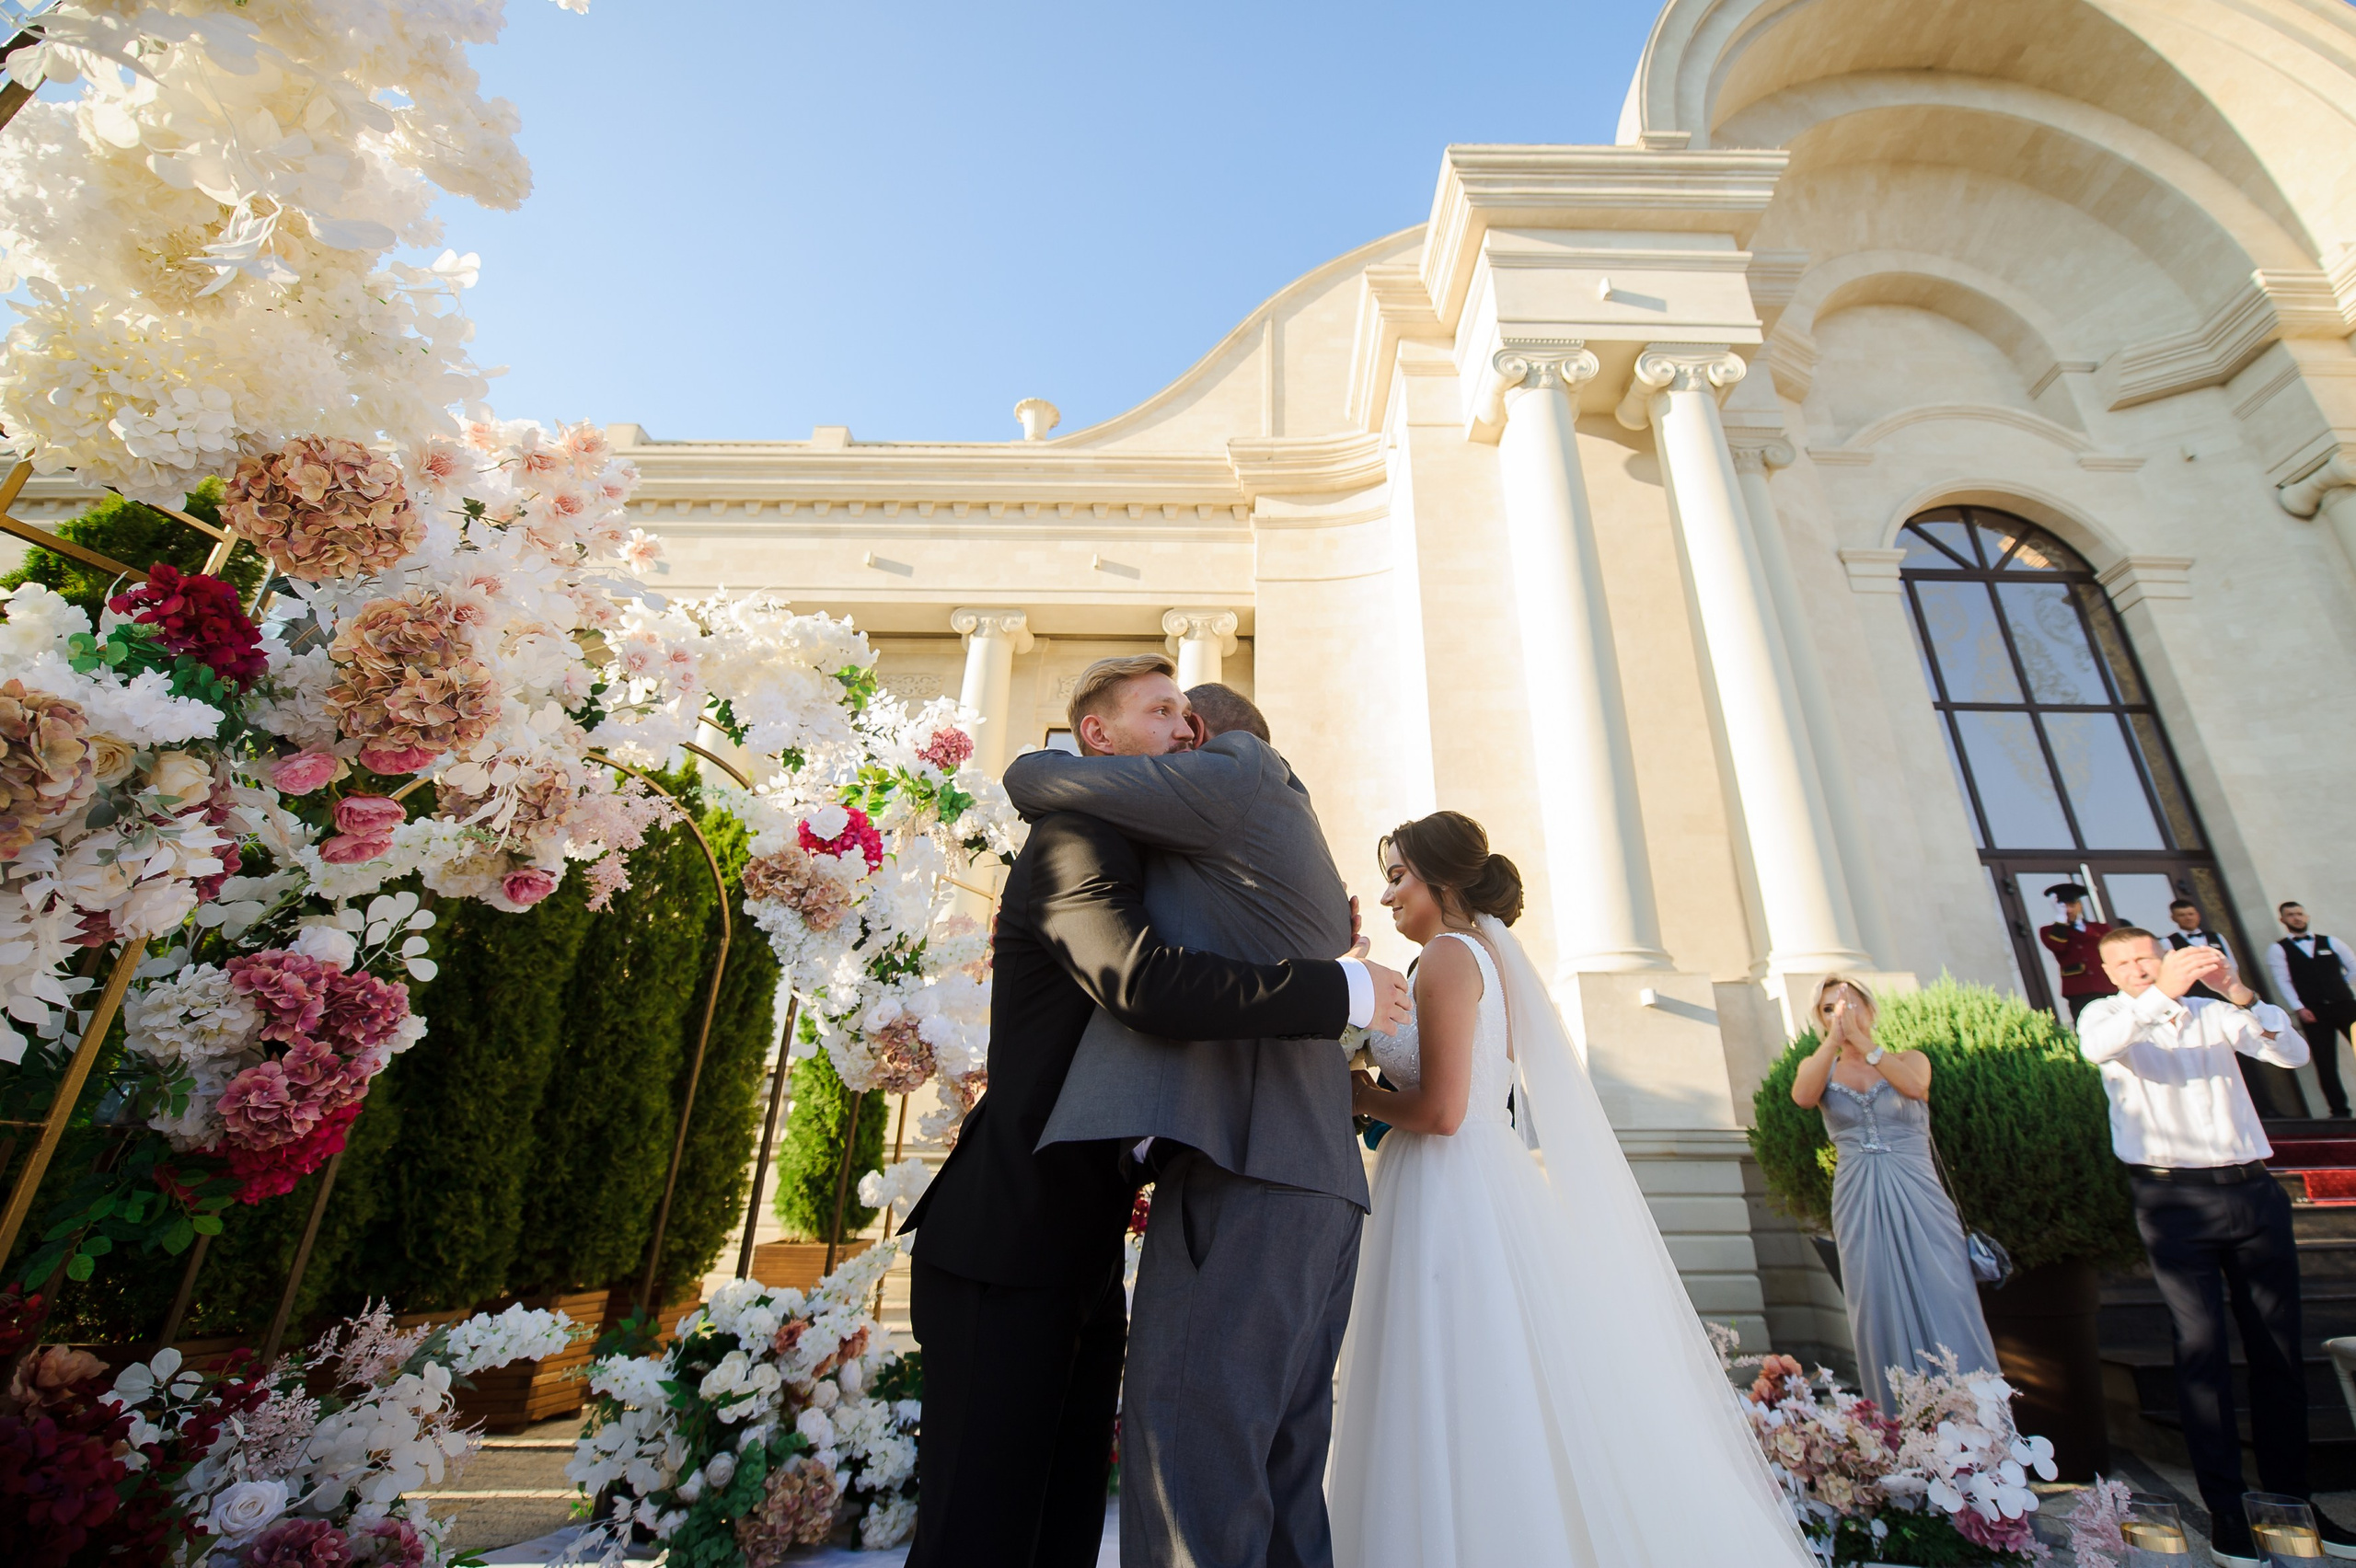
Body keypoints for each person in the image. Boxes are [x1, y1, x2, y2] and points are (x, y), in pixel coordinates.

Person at [900, 657, 1409, 1568]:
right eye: (1163, 712)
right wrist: (1336, 988)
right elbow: (1140, 982)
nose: (1187, 729)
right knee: (979, 1533)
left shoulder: (1155, 855)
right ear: (1099, 738)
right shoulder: (1071, 838)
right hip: (1004, 1241)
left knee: (1060, 1529)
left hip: (1083, 1255)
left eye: (1189, 714)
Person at [1327, 811, 1816, 1568]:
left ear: (1443, 880)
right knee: (1491, 1380)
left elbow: (1445, 1111)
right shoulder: (1483, 956)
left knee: (1449, 1378)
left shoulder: (1452, 959)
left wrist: (1362, 1095)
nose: (1388, 897)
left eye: (1398, 878)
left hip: (1448, 1189)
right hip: (1471, 1182)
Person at [2076, 929, 2356, 1565]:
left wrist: (2236, 992)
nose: (2138, 969)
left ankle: (2291, 1504)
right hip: (2173, 1201)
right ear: (2107, 971)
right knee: (2201, 1353)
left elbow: (2290, 1055)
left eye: (2146, 957)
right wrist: (2164, 995)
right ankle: (2227, 1512)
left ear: (2164, 953)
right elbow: (2099, 1047)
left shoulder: (2212, 1013)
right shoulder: (2106, 1015)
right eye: (2122, 963)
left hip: (2253, 1193)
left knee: (2279, 1354)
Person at [1787, 975, 2000, 1412]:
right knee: (1875, 1296)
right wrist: (1832, 1042)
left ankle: (1977, 1420)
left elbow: (1914, 1087)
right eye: (1828, 1008)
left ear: (1870, 1008)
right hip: (1858, 1192)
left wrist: (1865, 1045)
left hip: (1918, 1188)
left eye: (1848, 1003)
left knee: (1947, 1290)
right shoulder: (1821, 1065)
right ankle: (1895, 1421)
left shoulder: (1910, 1058)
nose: (1841, 1013)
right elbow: (1803, 1097)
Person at [2267, 902, 2356, 1121]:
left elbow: (2353, 966)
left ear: (2306, 916)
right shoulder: (2279, 949)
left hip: (2345, 1006)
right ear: (2283, 920)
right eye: (2291, 915)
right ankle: (2340, 1112)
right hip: (2313, 1012)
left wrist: (2338, 987)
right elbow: (2283, 981)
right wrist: (2299, 1007)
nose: (2296, 918)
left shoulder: (2331, 942)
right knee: (2325, 1062)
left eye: (2299, 914)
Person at [2040, 881, 2116, 1024]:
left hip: (2106, 985)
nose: (2068, 910)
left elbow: (2111, 948)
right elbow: (2057, 946)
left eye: (2071, 905)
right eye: (2063, 907)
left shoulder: (2100, 928)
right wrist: (2061, 919)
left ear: (2080, 906)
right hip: (2079, 990)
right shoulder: (2048, 931)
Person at [2166, 897, 2235, 1005]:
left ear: (2198, 915)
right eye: (2182, 915)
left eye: (2191, 914)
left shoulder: (2217, 937)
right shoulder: (2168, 942)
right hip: (2196, 998)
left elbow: (2232, 965)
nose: (2188, 918)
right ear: (2173, 918)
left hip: (2225, 995)